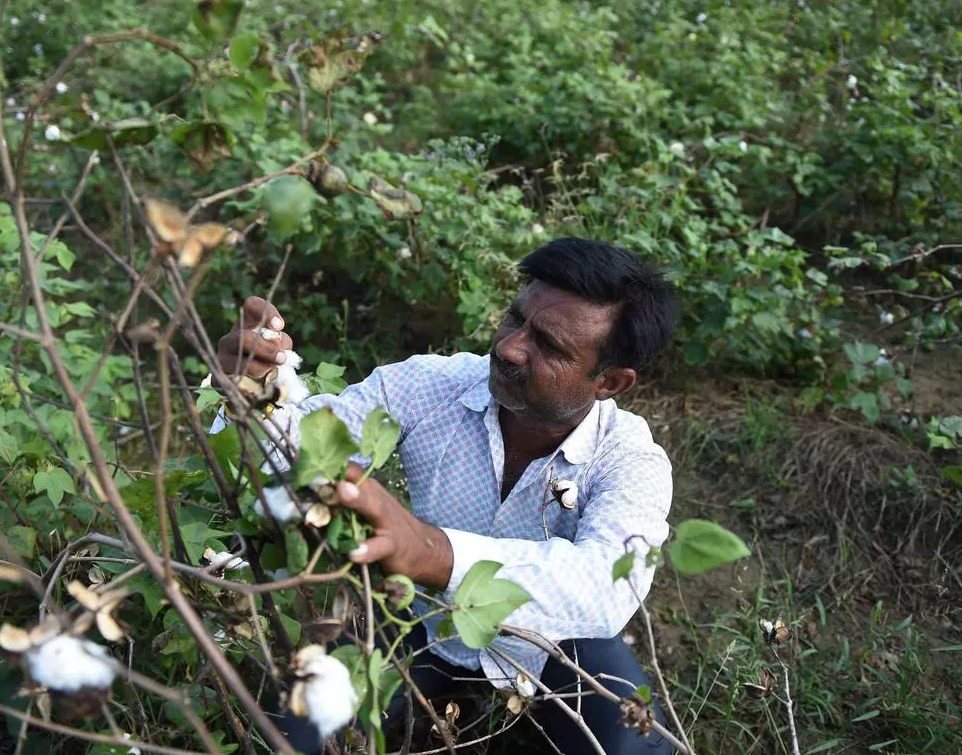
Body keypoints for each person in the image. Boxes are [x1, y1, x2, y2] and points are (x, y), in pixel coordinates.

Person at [215, 237, 678, 754]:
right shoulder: (427, 386)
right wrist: (255, 396)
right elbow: (302, 455)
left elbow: (604, 589)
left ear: (610, 382)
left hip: (554, 643)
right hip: (417, 616)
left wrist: (433, 552)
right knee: (295, 733)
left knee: (632, 745)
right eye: (515, 318)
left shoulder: (630, 461)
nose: (509, 347)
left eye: (549, 346)